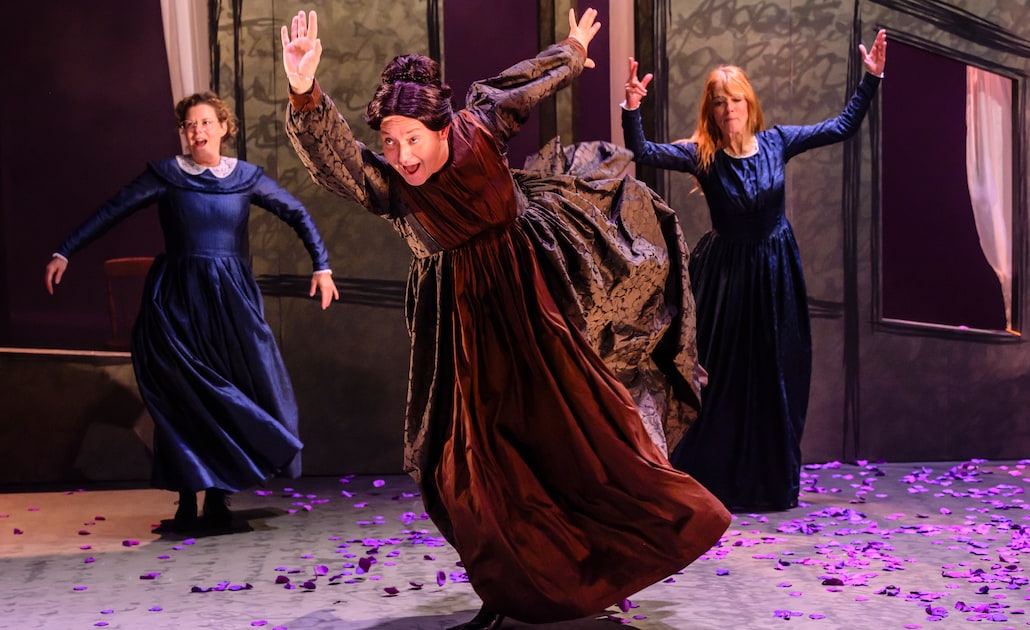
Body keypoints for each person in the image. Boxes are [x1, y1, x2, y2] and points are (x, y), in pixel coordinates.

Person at [280, 8, 730, 629]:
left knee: (577, 439)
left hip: (534, 300)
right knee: (474, 463)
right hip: (462, 328)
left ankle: (620, 553)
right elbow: (338, 161)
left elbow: (528, 82)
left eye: (413, 139)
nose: (402, 155)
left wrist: (573, 50)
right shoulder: (392, 186)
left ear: (441, 128)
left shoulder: (478, 124)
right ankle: (504, 591)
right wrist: (304, 91)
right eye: (389, 142)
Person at [44, 91, 339, 532]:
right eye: (189, 124)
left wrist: (322, 266)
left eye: (205, 123)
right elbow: (112, 211)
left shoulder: (245, 178)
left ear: (224, 128)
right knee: (182, 397)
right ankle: (186, 496)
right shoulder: (166, 176)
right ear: (183, 132)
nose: (197, 131)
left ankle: (218, 496)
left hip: (231, 303)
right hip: (177, 301)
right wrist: (64, 250)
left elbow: (297, 213)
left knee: (225, 394)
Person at [619, 31, 888, 511]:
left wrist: (871, 78)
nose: (729, 110)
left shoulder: (777, 143)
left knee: (775, 374)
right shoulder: (701, 154)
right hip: (726, 282)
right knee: (720, 378)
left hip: (775, 276)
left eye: (736, 100)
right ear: (711, 110)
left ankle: (767, 482)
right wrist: (632, 106)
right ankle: (711, 478)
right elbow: (644, 152)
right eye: (719, 102)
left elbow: (842, 126)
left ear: (750, 104)